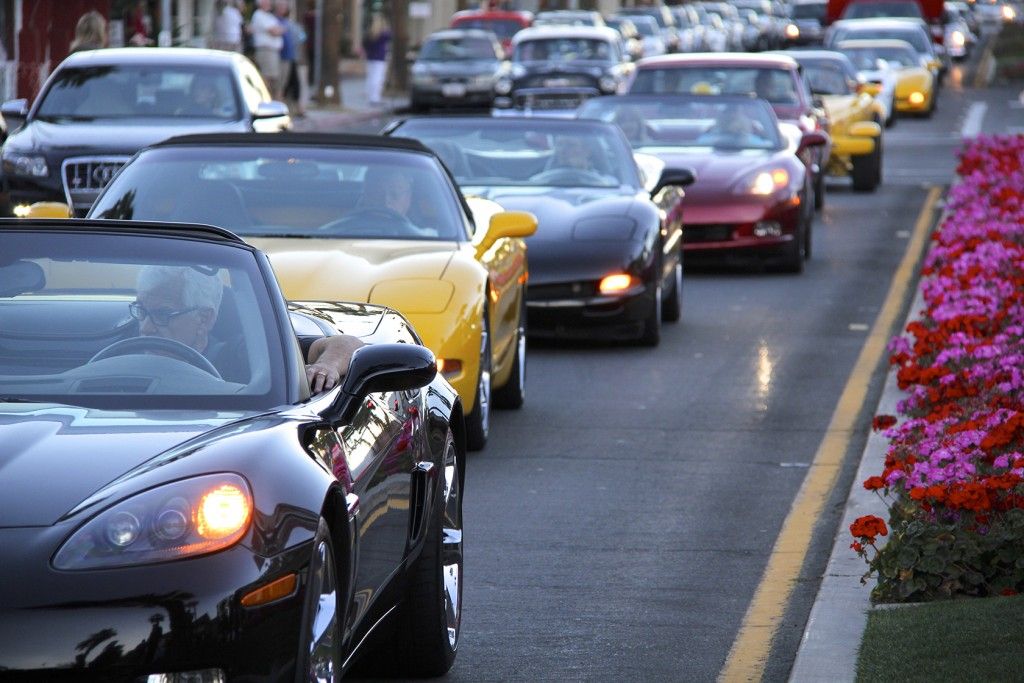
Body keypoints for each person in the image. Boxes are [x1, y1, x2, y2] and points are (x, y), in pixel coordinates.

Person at [132, 265, 361, 392]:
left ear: (204, 318)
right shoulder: (121, 345)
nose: (145, 327)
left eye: (163, 314)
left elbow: (347, 344)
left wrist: (325, 366)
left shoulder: (247, 356)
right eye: (142, 311)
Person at [249, 0, 285, 98]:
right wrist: (279, 30)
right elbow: (274, 31)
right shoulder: (259, 15)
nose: (269, 3)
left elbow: (279, 29)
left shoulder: (268, 16)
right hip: (266, 51)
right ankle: (264, 98)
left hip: (273, 51)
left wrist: (280, 29)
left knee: (274, 78)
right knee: (267, 77)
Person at [361, 13, 392, 107]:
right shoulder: (384, 34)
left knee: (370, 77)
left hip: (370, 57)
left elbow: (364, 43)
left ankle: (371, 97)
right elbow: (390, 35)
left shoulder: (370, 33)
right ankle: (375, 97)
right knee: (378, 78)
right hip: (380, 58)